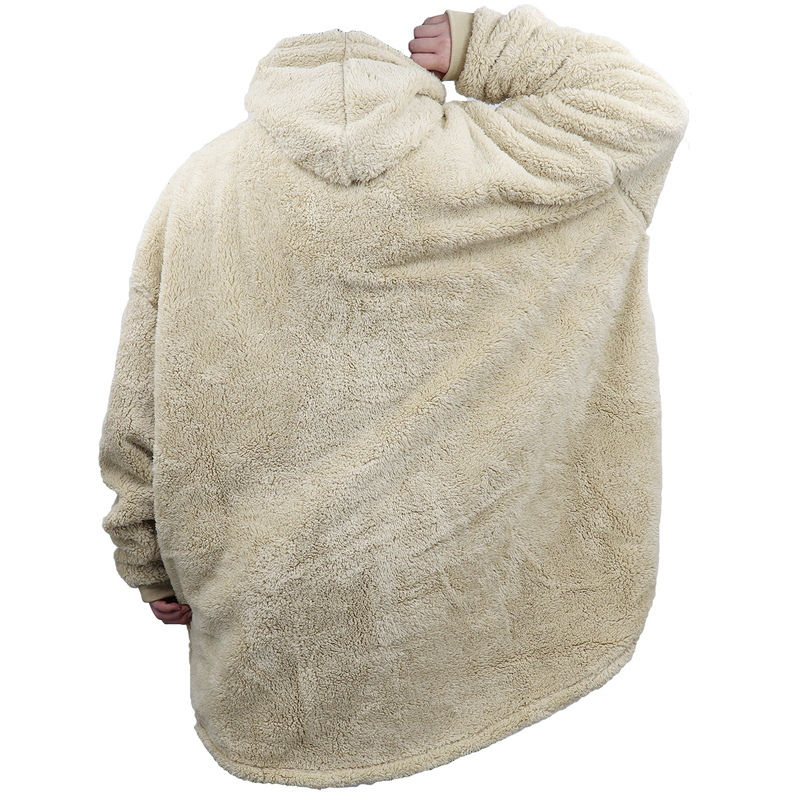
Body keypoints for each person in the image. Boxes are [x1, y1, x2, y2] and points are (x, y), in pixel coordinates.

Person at [99, 5, 688, 788]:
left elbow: (139, 413)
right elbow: (646, 108)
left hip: (276, 658)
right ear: (403, 80)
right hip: (500, 637)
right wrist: (488, 45)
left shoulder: (200, 189)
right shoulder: (506, 163)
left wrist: (148, 564)